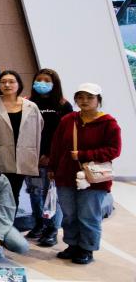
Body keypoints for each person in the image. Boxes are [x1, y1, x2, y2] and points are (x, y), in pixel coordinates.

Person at [47, 83, 122, 265]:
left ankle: (87, 248)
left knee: (88, 216)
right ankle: (72, 244)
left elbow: (114, 150)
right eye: (80, 97)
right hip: (66, 175)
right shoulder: (68, 120)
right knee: (69, 214)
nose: (85, 101)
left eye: (90, 97)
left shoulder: (108, 123)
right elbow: (56, 146)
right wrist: (52, 167)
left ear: (98, 100)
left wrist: (84, 155)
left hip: (94, 179)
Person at [0, 70, 43, 205]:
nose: (7, 85)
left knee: (14, 194)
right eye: (3, 82)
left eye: (11, 82)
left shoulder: (31, 106)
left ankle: (9, 219)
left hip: (22, 158)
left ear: (19, 84)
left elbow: (38, 129)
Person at [26, 68, 71, 247]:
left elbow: (64, 135)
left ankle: (52, 229)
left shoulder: (63, 105)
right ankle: (38, 225)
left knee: (50, 193)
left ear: (55, 84)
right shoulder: (28, 103)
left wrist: (51, 156)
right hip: (31, 157)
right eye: (39, 80)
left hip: (51, 158)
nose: (42, 83)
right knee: (34, 192)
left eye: (47, 80)